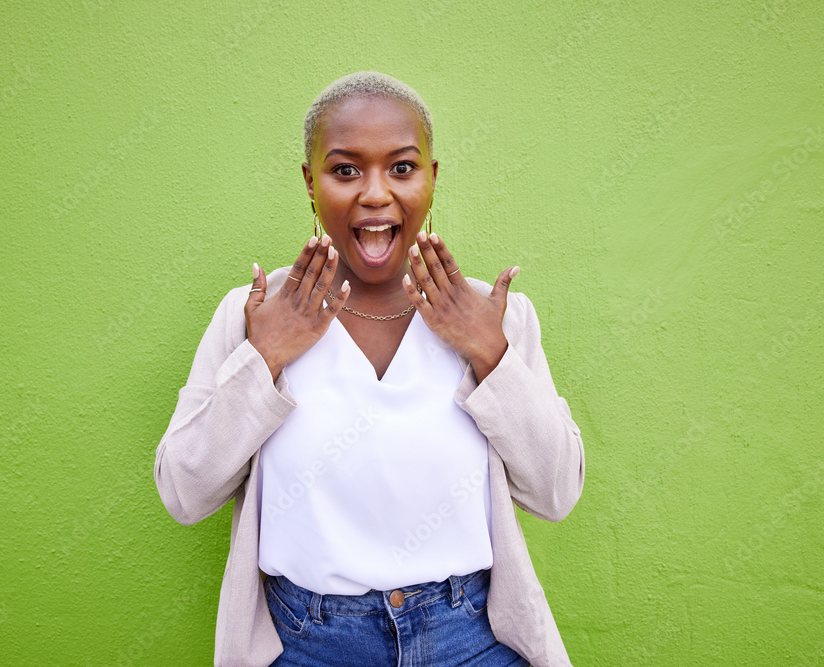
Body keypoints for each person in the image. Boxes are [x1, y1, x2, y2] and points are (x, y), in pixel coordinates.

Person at [154, 71, 585, 667]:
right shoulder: (254, 314)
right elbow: (183, 493)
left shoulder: (495, 318)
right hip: (308, 642)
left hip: (469, 639)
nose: (376, 193)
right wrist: (266, 357)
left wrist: (492, 356)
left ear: (433, 180)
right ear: (311, 183)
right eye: (346, 170)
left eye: (402, 168)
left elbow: (557, 493)